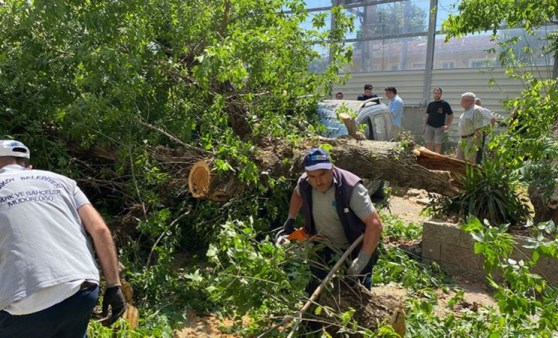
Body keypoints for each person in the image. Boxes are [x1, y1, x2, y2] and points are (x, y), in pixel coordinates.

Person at [0, 140, 126, 337]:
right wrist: (114, 286)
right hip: (80, 291)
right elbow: (100, 230)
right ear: (29, 166)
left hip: (21, 307)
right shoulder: (61, 181)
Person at [281, 148, 383, 292]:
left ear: (332, 168)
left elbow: (375, 225)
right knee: (316, 287)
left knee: (358, 294)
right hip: (322, 245)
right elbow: (297, 194)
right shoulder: (305, 183)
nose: (318, 181)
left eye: (322, 174)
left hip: (355, 247)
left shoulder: (351, 188)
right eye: (313, 176)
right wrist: (291, 218)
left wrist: (361, 261)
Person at [456, 93, 485, 163]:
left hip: (471, 139)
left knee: (470, 162)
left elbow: (478, 128)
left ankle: (469, 174)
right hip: (462, 139)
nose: (460, 102)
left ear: (469, 101)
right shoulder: (466, 111)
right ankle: (461, 174)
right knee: (458, 161)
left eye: (462, 100)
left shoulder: (476, 110)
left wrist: (475, 142)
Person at [423, 87, 454, 154]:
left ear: (441, 94)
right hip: (429, 126)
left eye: (438, 93)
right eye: (435, 93)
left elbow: (451, 115)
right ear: (433, 94)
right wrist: (424, 126)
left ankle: (437, 158)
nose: (437, 95)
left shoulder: (445, 104)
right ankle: (430, 157)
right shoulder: (430, 104)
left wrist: (448, 125)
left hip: (440, 127)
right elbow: (427, 116)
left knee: (437, 144)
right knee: (429, 143)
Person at [474, 97, 496, 164]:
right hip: (471, 132)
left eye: (478, 103)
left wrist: (489, 130)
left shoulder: (484, 111)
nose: (477, 104)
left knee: (479, 149)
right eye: (475, 103)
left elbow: (493, 119)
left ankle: (478, 163)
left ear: (480, 104)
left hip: (481, 131)